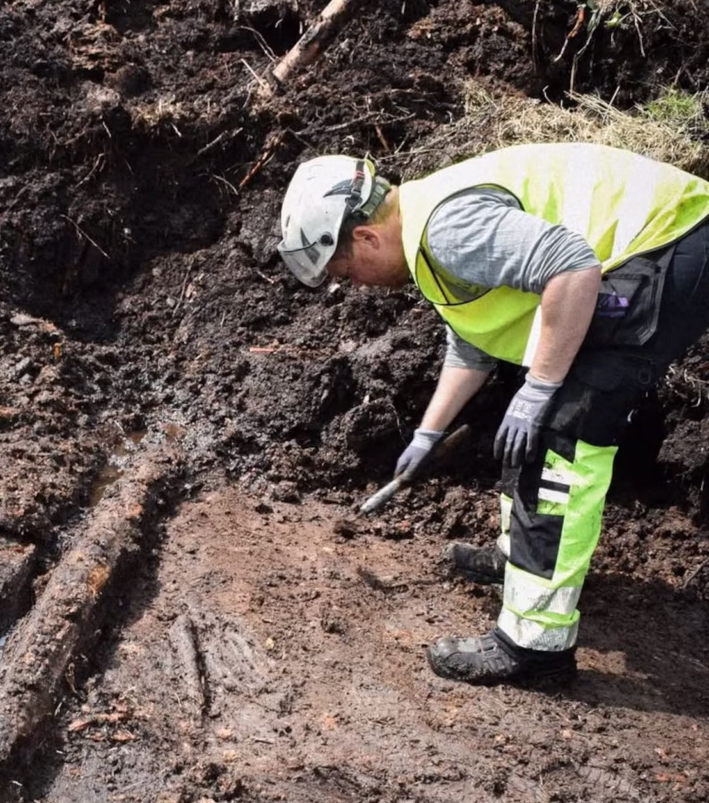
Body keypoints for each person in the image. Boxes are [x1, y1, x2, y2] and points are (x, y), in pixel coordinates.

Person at [276, 142, 709, 686]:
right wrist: (429, 431)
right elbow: (473, 341)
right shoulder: (426, 236)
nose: (352, 283)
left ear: (365, 236)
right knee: (536, 400)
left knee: (558, 435)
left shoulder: (445, 230)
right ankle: (522, 558)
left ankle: (535, 648)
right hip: (655, 246)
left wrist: (539, 390)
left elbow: (573, 266)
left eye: (345, 269)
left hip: (672, 242)